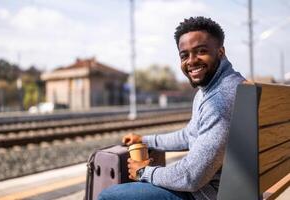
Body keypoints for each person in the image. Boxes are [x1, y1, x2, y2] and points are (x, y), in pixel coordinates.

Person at [98, 16, 245, 200]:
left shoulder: (221, 98)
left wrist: (144, 172)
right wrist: (145, 140)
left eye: (201, 51)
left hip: (215, 194)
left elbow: (192, 176)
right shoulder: (219, 88)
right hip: (237, 186)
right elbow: (188, 135)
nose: (191, 61)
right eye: (184, 55)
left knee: (109, 196)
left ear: (221, 52)